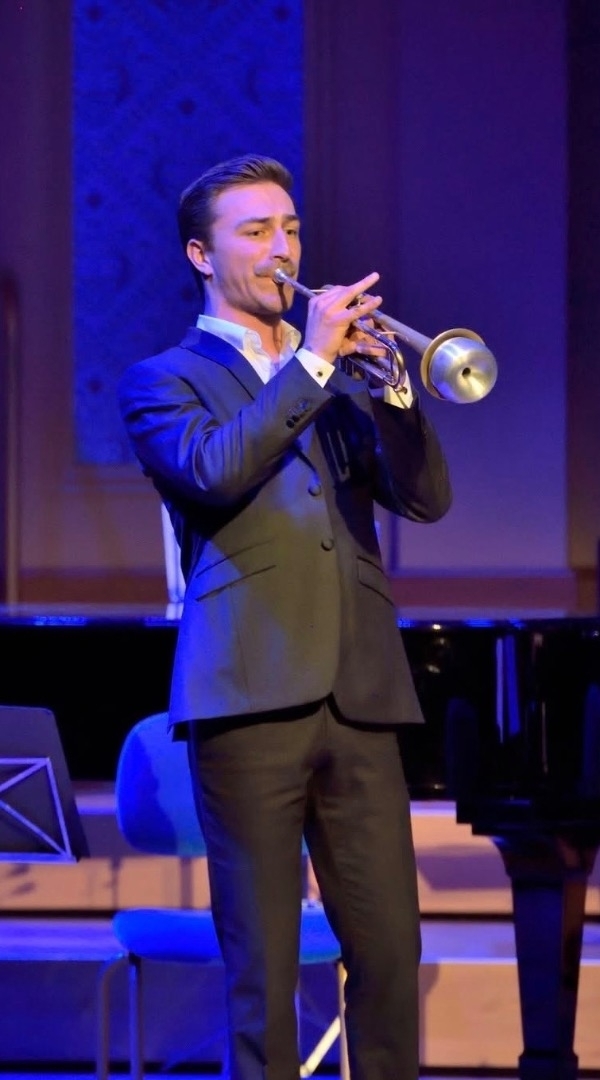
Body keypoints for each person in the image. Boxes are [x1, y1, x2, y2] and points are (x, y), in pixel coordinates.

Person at [118, 153, 452, 1080]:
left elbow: (425, 500)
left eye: (291, 228)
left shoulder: (335, 381)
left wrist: (392, 391)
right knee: (262, 974)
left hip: (361, 691)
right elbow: (215, 470)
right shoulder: (162, 378)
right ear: (201, 254)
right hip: (247, 695)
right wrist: (311, 362)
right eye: (257, 231)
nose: (283, 249)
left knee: (390, 957)